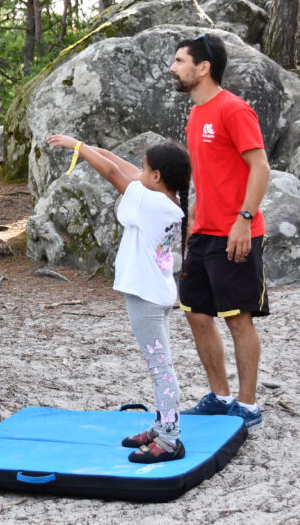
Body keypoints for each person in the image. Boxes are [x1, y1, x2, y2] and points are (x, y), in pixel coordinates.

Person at [47, 134, 192, 463]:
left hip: (146, 297)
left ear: (157, 176)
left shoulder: (151, 203)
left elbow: (115, 174)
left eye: (146, 168)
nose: (140, 172)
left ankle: (170, 439)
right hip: (154, 292)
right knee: (161, 365)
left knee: (161, 368)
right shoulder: (166, 199)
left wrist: (78, 148)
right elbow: (126, 170)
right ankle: (162, 426)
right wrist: (93, 148)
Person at [169, 33, 271, 430]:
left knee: (237, 319)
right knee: (196, 313)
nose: (173, 68)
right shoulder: (196, 115)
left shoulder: (234, 109)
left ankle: (247, 405)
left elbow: (260, 167)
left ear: (203, 67)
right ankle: (220, 396)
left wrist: (244, 220)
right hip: (203, 233)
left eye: (180, 61)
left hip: (236, 231)